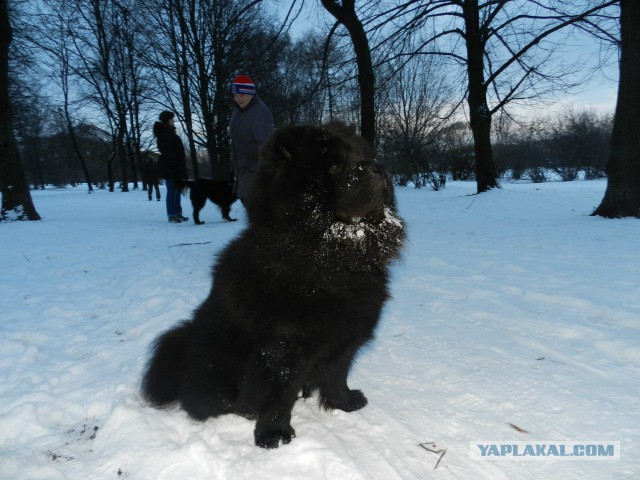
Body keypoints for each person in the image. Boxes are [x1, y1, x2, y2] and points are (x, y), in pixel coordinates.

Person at [229, 75, 273, 207]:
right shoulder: (238, 110)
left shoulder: (260, 113)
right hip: (243, 171)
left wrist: (263, 177)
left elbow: (267, 147)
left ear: (251, 93)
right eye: (235, 95)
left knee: (261, 217)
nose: (238, 99)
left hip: (255, 174)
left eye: (242, 95)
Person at [153, 111, 188, 223]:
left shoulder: (170, 133)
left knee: (177, 190)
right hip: (170, 167)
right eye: (172, 119)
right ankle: (172, 214)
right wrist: (176, 164)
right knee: (172, 191)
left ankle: (178, 213)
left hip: (176, 166)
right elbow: (168, 152)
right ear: (168, 120)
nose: (173, 121)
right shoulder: (164, 134)